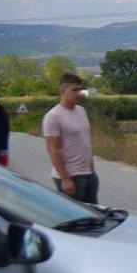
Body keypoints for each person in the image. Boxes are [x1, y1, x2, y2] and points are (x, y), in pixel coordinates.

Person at [43, 73, 99, 203]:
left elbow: (84, 142)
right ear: (62, 90)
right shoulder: (53, 116)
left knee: (94, 218)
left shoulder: (81, 111)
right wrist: (65, 179)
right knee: (75, 219)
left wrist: (92, 171)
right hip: (71, 177)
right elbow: (52, 149)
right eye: (74, 90)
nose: (78, 93)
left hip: (89, 175)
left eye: (80, 89)